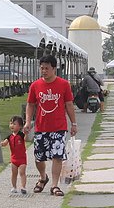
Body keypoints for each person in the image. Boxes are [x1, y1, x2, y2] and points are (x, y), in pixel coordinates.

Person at [23, 54, 77, 197]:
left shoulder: (63, 84)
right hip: (41, 127)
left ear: (54, 69)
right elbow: (30, 105)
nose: (44, 71)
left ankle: (54, 185)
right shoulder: (35, 86)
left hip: (59, 127)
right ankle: (42, 177)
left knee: (57, 156)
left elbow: (69, 105)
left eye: (47, 68)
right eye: (42, 68)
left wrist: (74, 123)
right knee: (39, 157)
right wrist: (28, 121)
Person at [0, 115, 28, 194]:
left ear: (20, 126)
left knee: (22, 172)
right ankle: (14, 187)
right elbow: (5, 143)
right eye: (11, 123)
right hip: (14, 159)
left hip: (22, 158)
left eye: (14, 124)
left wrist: (26, 133)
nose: (12, 125)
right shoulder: (9, 136)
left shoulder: (21, 135)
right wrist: (2, 143)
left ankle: (23, 187)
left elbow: (25, 138)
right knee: (14, 173)